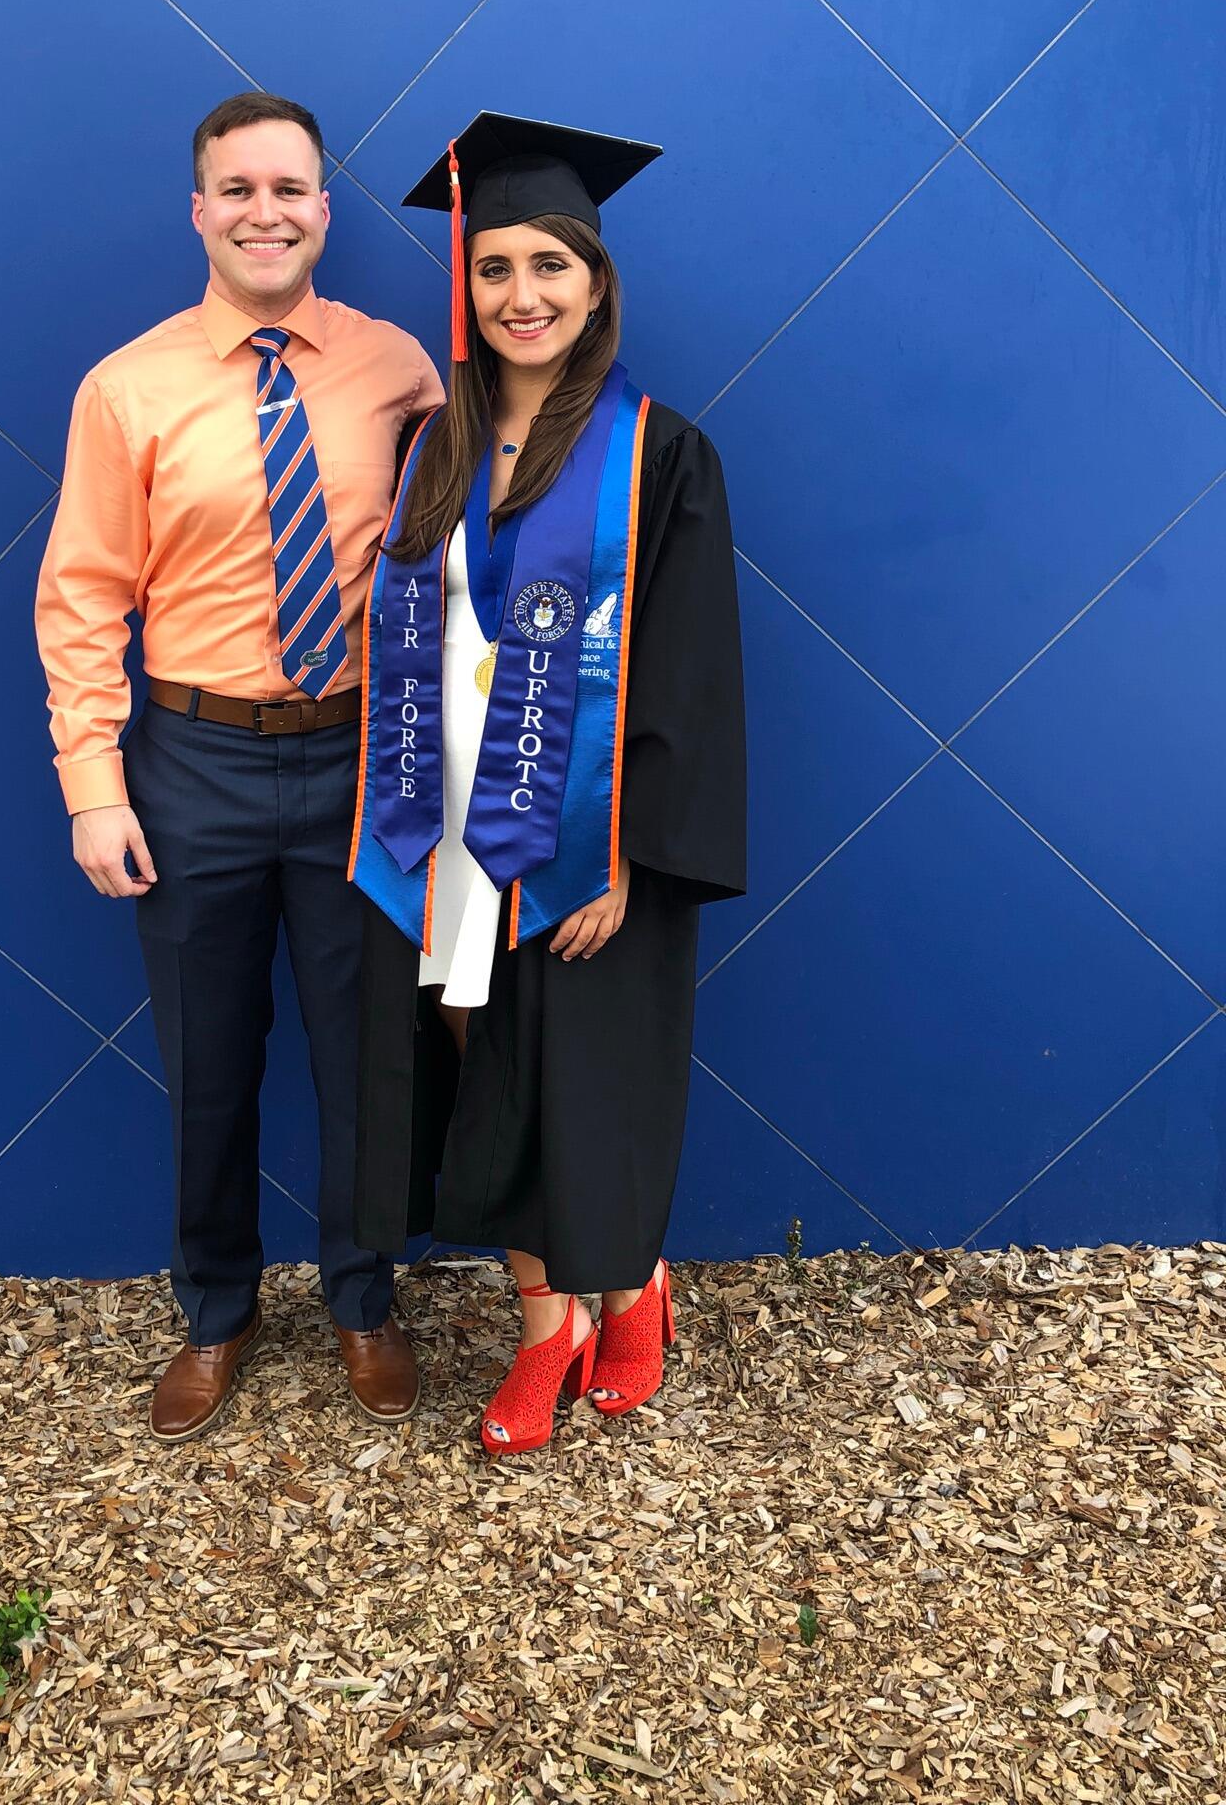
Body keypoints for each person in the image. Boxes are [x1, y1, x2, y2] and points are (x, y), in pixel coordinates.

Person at [35, 91, 443, 1441]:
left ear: (326, 211)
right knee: (211, 1058)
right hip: (193, 764)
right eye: (239, 189)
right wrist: (95, 783)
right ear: (200, 210)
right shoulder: (128, 387)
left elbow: (463, 554)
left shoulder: (399, 371)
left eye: (291, 189)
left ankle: (361, 1297)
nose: (266, 212)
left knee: (365, 1054)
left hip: (356, 762)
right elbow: (83, 595)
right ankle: (217, 1308)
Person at [349, 112, 746, 1455]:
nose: (521, 296)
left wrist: (624, 854)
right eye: (495, 268)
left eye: (549, 269)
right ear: (466, 286)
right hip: (452, 840)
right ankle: (545, 1326)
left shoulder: (660, 455)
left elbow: (689, 675)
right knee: (489, 1081)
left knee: (590, 1078)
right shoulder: (433, 449)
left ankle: (628, 1285)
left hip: (591, 842)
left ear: (595, 283)